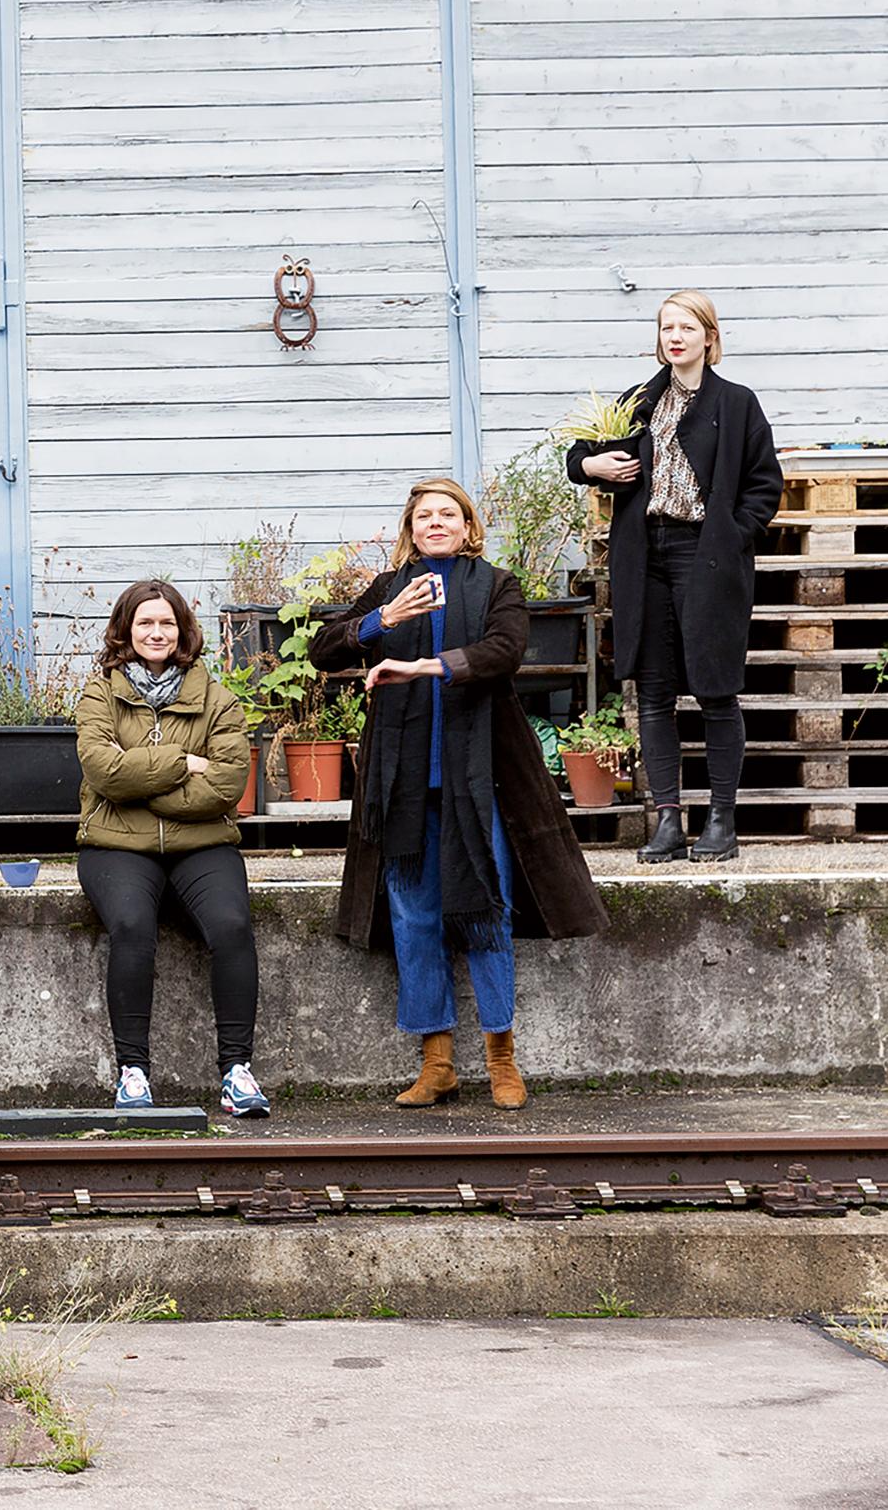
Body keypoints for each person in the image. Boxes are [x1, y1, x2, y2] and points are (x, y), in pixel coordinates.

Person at [312, 477, 607, 1111]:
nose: (436, 523)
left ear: (468, 525)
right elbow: (321, 650)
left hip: (480, 785)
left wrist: (421, 665)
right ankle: (437, 1062)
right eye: (424, 516)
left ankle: (502, 1057)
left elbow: (504, 652)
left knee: (486, 912)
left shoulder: (495, 584)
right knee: (414, 917)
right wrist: (382, 621)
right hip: (404, 787)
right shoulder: (393, 589)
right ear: (410, 529)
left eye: (448, 514)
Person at [564, 289, 782, 864]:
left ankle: (721, 820)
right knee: (654, 693)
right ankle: (667, 819)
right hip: (645, 556)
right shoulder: (639, 401)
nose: (675, 337)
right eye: (667, 328)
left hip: (705, 554)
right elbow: (580, 455)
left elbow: (766, 484)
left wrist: (733, 534)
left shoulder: (736, 403)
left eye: (686, 327)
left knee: (714, 689)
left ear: (710, 336)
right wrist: (594, 465)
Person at [74, 579, 264, 1117]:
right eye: (145, 623)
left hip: (202, 843)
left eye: (166, 623)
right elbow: (104, 773)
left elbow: (228, 783)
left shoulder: (218, 701)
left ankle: (236, 1071)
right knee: (132, 926)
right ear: (126, 632)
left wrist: (144, 791)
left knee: (231, 927)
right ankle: (133, 1074)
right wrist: (183, 763)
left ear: (182, 631)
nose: (156, 633)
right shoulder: (99, 695)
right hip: (115, 845)